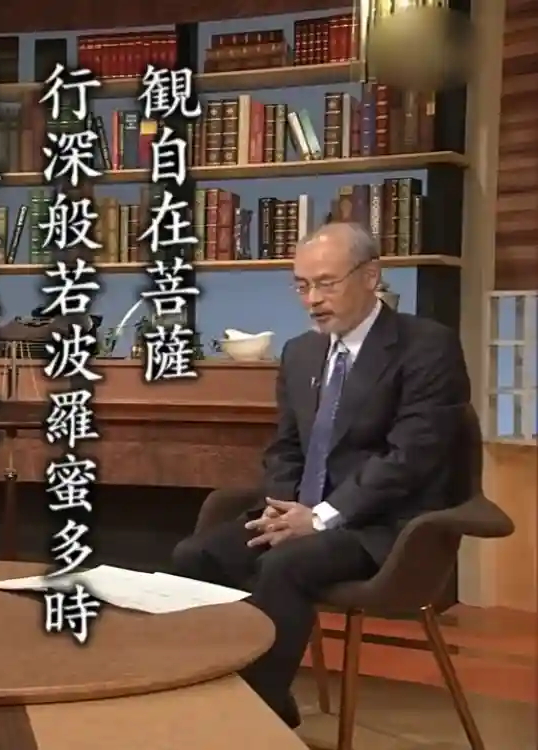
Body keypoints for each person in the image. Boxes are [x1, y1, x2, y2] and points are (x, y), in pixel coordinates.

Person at [170, 222, 470, 728]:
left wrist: (322, 517)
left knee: (284, 565)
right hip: (300, 514)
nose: (312, 299)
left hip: (380, 526)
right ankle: (211, 691)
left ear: (370, 276)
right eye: (302, 285)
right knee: (194, 555)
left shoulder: (427, 346)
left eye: (326, 283)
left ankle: (254, 714)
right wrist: (281, 507)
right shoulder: (300, 352)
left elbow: (411, 458)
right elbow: (286, 447)